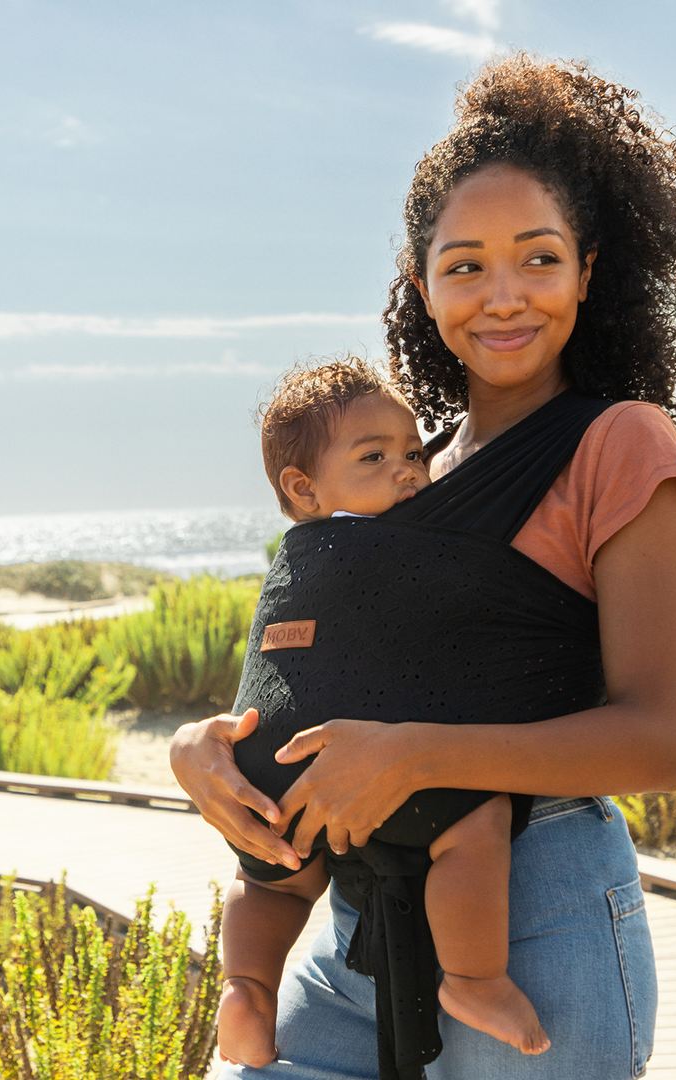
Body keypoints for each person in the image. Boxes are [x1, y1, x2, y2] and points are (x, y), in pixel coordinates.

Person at [171, 53, 676, 1079]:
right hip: (352, 919)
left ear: (590, 271)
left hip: (536, 917)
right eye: (465, 265)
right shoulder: (405, 468)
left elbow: (656, 744)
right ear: (422, 285)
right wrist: (204, 745)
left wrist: (417, 758)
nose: (503, 296)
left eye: (539, 259)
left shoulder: (621, 443)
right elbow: (341, 660)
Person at [219, 359, 551, 1068]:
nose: (406, 473)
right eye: (373, 458)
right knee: (474, 824)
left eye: (412, 453)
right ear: (302, 489)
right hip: (375, 762)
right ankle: (474, 978)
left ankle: (247, 985)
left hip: (268, 765)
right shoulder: (410, 543)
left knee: (267, 881)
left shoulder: (293, 558)